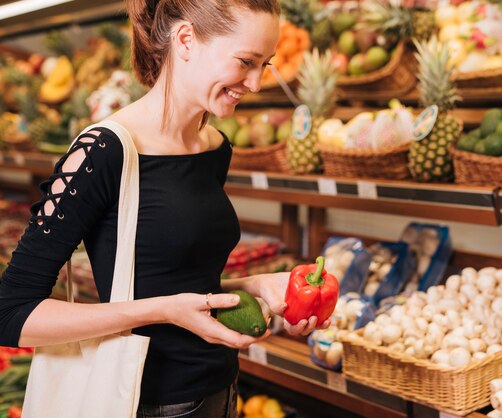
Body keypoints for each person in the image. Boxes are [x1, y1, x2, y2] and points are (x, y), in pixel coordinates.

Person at [0, 1, 329, 417]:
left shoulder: (213, 147)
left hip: (221, 390)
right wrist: (161, 311)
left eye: (265, 64)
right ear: (186, 39)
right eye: (246, 62)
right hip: (144, 401)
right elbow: (12, 313)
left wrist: (255, 286)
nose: (257, 82)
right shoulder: (104, 151)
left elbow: (176, 276)